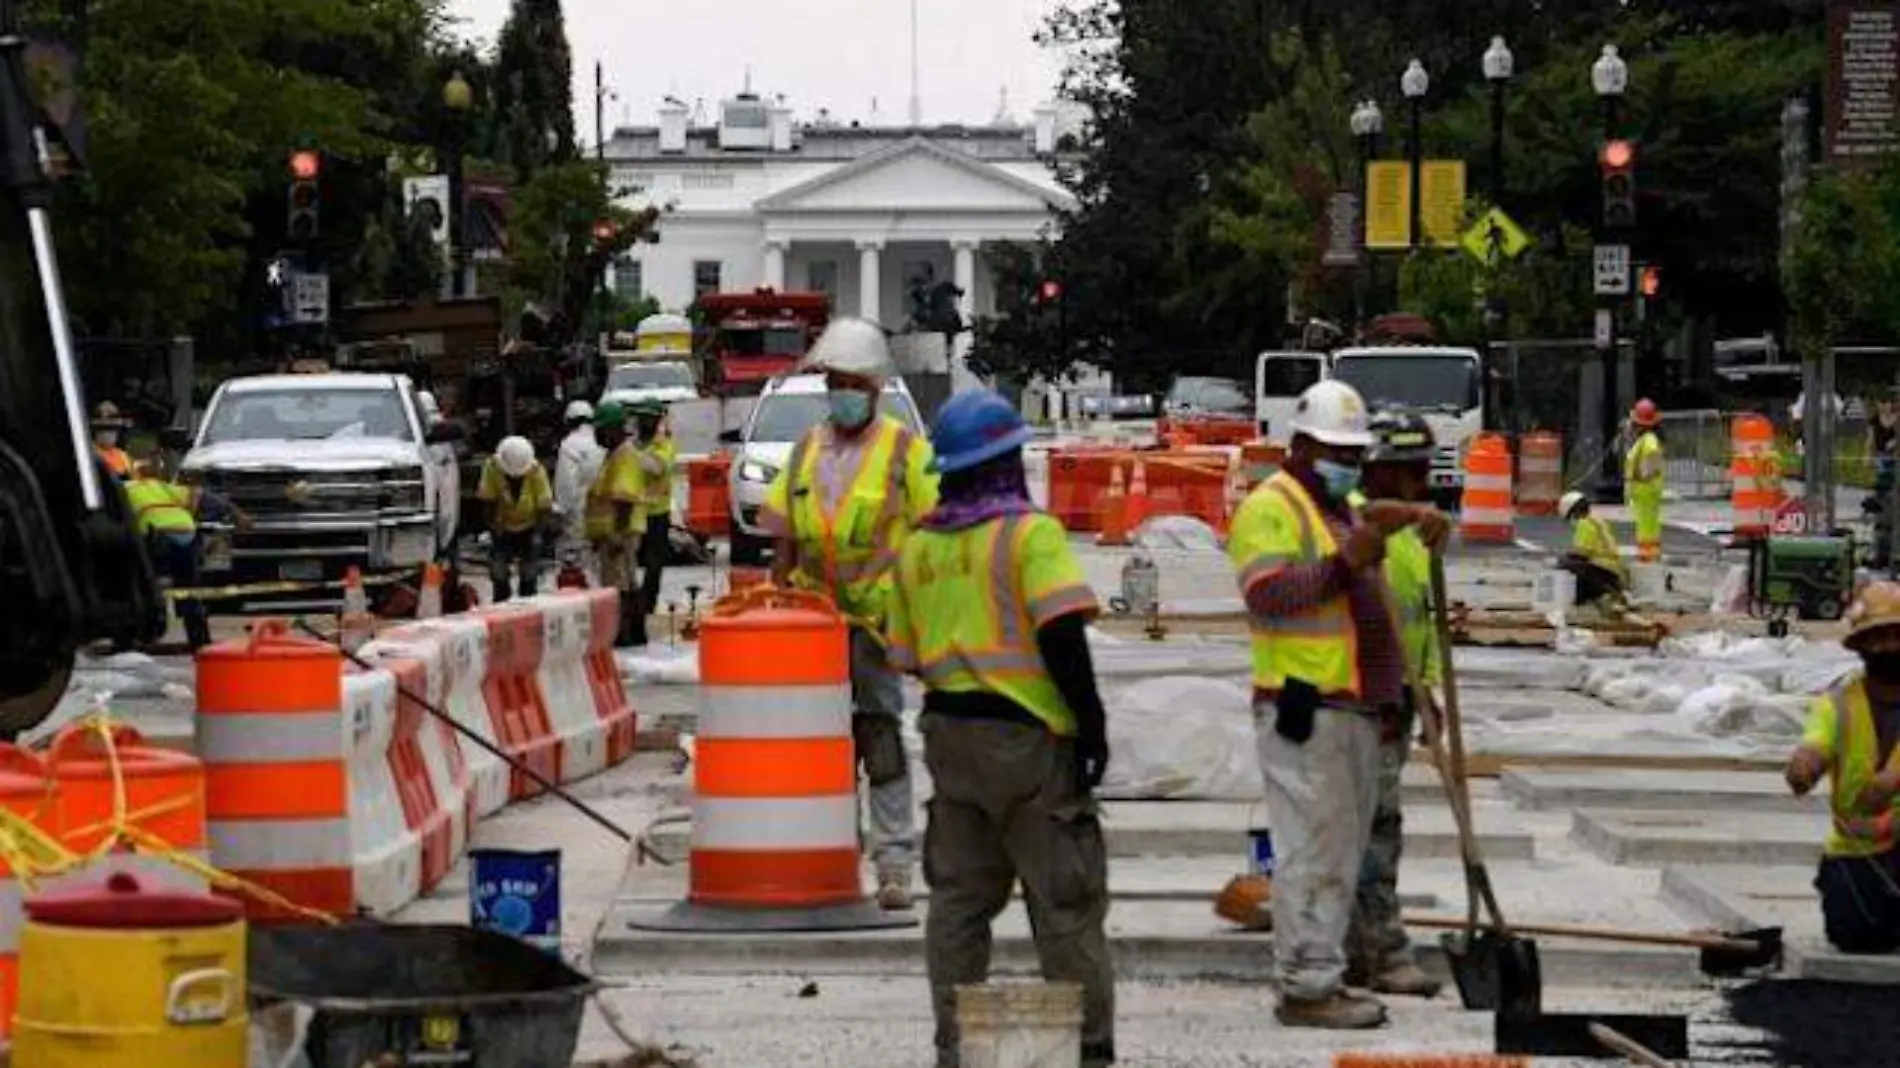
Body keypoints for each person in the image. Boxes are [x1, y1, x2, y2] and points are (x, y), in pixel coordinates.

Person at [886, 389, 1115, 1068]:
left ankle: (956, 1050)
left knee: (958, 904)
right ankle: (1088, 1053)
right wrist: (1091, 727)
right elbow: (1062, 632)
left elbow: (903, 653)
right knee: (1066, 905)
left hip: (950, 739)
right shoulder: (1028, 534)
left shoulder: (918, 546)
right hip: (1028, 740)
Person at [1226, 379, 1437, 1030]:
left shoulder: (1336, 501)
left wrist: (1414, 517)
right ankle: (1308, 985)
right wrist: (1347, 564)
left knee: (1339, 853)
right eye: (1335, 450)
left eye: (1353, 451)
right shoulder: (1272, 507)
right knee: (1313, 854)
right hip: (1304, 702)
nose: (1346, 461)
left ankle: (1329, 970)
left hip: (1350, 704)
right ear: (1303, 444)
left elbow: (1371, 521)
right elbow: (1269, 595)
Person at [760, 317, 939, 910]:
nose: (842, 393)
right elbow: (783, 527)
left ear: (875, 388)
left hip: (877, 621)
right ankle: (828, 853)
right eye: (834, 382)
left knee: (880, 734)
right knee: (821, 744)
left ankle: (893, 863)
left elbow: (935, 529)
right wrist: (777, 595)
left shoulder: (905, 451)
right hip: (813, 621)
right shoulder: (808, 447)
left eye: (852, 383)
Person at [1344, 411, 1448, 999]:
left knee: (1377, 825)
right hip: (1363, 700)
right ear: (1385, 468)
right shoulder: (1358, 519)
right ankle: (1380, 951)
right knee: (1375, 827)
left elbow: (1416, 619)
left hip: (1398, 694)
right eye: (1414, 470)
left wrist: (1426, 688)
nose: (1423, 481)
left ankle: (1358, 950)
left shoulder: (1407, 533)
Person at [1785, 581, 1900, 954]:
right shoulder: (1839, 704)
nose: (1889, 647)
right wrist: (1805, 766)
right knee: (1854, 936)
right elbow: (1816, 744)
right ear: (1862, 647)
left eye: (1896, 636)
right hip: (1859, 848)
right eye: (1878, 638)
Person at [123, 457, 246, 650]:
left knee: (144, 584)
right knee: (189, 589)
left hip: (156, 536)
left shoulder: (126, 488)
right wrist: (238, 514)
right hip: (186, 533)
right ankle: (199, 640)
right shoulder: (165, 488)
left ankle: (140, 636)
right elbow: (202, 496)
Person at [586, 400, 647, 646]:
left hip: (620, 535)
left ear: (613, 429)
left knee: (618, 586)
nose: (597, 435)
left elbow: (623, 501)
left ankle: (624, 634)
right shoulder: (614, 455)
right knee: (625, 582)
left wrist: (617, 537)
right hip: (612, 535)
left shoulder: (625, 456)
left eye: (601, 430)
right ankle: (631, 633)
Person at [478, 435, 554, 602]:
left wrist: (538, 535)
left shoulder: (536, 470)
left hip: (530, 526)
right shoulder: (492, 467)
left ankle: (528, 599)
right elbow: (487, 501)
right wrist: (492, 527)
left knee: (529, 577)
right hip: (501, 527)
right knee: (499, 574)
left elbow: (544, 507)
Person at [631, 399, 676, 644]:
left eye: (650, 418)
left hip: (657, 513)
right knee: (629, 563)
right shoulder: (632, 445)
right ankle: (633, 604)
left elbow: (657, 467)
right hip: (634, 511)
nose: (645, 423)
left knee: (654, 564)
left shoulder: (665, 445)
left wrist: (634, 455)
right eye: (642, 418)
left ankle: (648, 603)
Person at [554, 399, 606, 581]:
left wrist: (561, 508)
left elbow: (566, 484)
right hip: (603, 509)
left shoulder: (569, 445)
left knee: (578, 563)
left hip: (578, 511)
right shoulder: (601, 441)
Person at [1558, 489, 1627, 610]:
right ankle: (1599, 595)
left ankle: (1604, 592)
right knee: (1574, 565)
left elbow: (1582, 554)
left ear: (1574, 512)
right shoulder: (1596, 519)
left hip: (1603, 571)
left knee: (1567, 564)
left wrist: (1563, 559)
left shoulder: (1584, 523)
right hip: (1614, 570)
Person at [1624, 399, 1666, 563]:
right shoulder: (1645, 439)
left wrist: (1644, 475)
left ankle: (1647, 558)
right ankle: (1650, 557)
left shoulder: (1648, 439)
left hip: (1645, 490)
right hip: (1645, 491)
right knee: (1647, 526)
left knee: (1646, 527)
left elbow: (1652, 456)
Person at [92, 401, 133, 480]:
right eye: (102, 429)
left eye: (112, 429)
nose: (107, 433)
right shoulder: (89, 453)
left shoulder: (123, 456)